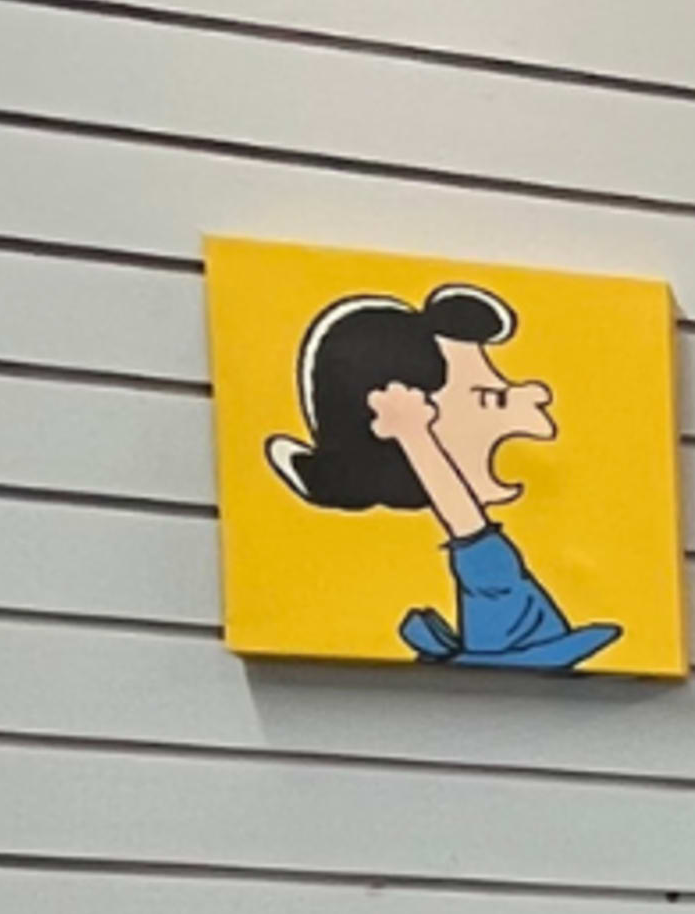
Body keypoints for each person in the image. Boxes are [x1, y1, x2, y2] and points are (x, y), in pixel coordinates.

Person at [264, 279, 620, 667]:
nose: (538, 393)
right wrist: (415, 437)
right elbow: (468, 528)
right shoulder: (492, 577)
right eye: (489, 398)